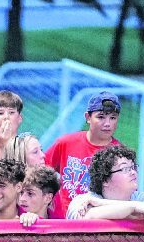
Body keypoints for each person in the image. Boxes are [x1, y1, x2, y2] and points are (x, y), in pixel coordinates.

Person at [44, 91, 123, 219]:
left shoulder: (120, 154)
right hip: (63, 223)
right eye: (101, 117)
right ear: (87, 117)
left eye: (113, 118)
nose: (107, 123)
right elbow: (41, 173)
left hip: (98, 225)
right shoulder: (66, 143)